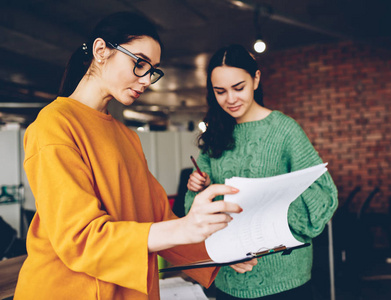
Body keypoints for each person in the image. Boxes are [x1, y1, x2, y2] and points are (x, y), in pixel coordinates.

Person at [14, 13, 256, 300]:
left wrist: (219, 253)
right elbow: (80, 238)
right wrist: (185, 227)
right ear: (101, 51)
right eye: (139, 63)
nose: (146, 80)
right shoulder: (54, 125)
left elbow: (157, 218)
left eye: (152, 70)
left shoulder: (127, 136)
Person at [185, 44, 338, 299]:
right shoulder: (215, 135)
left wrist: (273, 209)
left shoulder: (284, 130)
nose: (230, 99)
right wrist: (200, 188)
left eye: (238, 87)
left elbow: (323, 197)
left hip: (285, 277)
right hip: (229, 276)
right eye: (220, 91)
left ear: (256, 79)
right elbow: (196, 216)